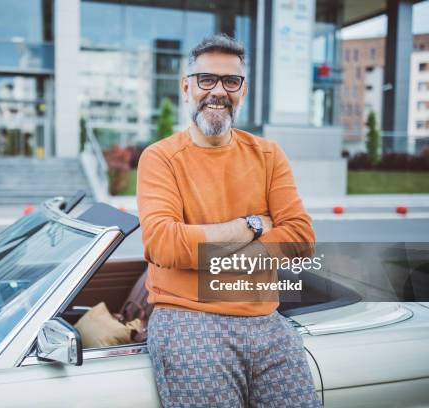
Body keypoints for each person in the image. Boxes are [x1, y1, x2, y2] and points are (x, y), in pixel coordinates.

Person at [137, 34, 322, 407]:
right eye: (206, 80)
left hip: (267, 320)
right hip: (188, 320)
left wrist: (206, 255)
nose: (218, 91)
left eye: (230, 81)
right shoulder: (160, 158)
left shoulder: (268, 155)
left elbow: (301, 238)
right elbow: (164, 244)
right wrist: (252, 225)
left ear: (243, 90)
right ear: (186, 86)